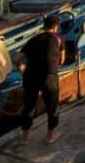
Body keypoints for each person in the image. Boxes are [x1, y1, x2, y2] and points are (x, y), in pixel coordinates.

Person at [18, 12, 75, 143]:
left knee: (29, 107)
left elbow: (17, 58)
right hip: (48, 76)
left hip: (30, 76)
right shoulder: (58, 38)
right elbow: (61, 60)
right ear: (56, 27)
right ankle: (50, 136)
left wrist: (22, 68)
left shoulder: (33, 39)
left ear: (44, 26)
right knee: (52, 107)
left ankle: (24, 138)